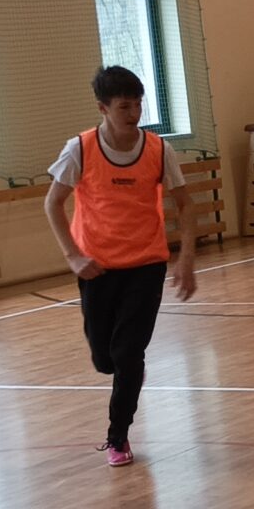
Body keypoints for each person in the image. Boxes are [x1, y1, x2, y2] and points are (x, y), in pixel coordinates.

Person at [43, 65, 199, 466]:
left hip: (146, 265)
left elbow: (185, 205)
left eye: (138, 105)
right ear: (103, 108)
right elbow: (53, 203)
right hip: (97, 268)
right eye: (124, 106)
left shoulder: (159, 150)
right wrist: (73, 256)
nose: (134, 113)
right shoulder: (80, 149)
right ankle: (127, 370)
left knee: (129, 353)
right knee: (105, 359)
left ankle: (117, 436)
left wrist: (186, 259)